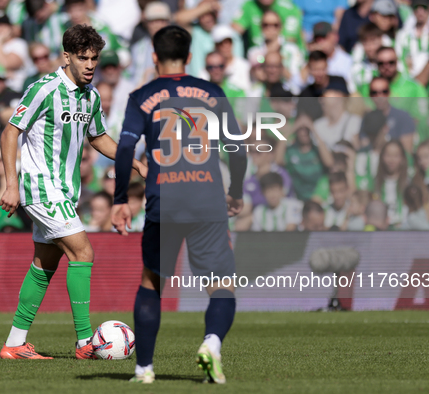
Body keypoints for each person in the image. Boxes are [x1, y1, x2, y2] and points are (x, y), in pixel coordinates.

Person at [0, 24, 146, 360]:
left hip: (65, 192)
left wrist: (134, 163)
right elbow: (10, 133)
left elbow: (99, 138)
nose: (91, 64)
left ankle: (15, 344)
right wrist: (11, 183)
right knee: (83, 253)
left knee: (44, 264)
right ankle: (85, 344)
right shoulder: (45, 89)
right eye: (83, 58)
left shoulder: (91, 96)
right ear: (67, 57)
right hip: (40, 188)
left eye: (95, 58)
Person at [111, 26, 247, 383]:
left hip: (163, 200)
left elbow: (125, 148)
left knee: (152, 282)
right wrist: (236, 192)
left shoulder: (142, 96)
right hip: (207, 199)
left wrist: (121, 199)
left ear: (154, 57)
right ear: (189, 57)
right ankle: (212, 344)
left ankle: (144, 370)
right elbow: (237, 147)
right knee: (222, 285)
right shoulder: (212, 93)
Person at [362, 77, 416, 153]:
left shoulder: (403, 117)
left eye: (384, 91)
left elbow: (407, 152)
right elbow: (363, 146)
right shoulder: (366, 118)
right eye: (374, 92)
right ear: (369, 95)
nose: (379, 96)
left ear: (389, 93)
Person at [232, 0, 304, 51]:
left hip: (286, 56)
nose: (270, 28)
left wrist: (262, 53)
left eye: (275, 25)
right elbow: (233, 30)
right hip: (258, 59)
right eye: (265, 25)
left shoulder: (289, 8)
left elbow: (290, 39)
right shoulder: (249, 5)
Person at [129, 2, 172, 86]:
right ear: (146, 24)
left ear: (168, 23)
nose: (157, 25)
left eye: (162, 21)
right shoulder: (137, 48)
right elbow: (130, 78)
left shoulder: (178, 47)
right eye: (153, 21)